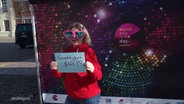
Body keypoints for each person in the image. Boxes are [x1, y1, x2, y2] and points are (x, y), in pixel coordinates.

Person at [50, 22, 102, 104]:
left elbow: (98, 76)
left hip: (88, 98)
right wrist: (55, 68)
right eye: (70, 34)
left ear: (84, 36)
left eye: (78, 34)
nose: (74, 36)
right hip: (72, 96)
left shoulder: (88, 52)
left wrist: (93, 69)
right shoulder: (66, 52)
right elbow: (60, 75)